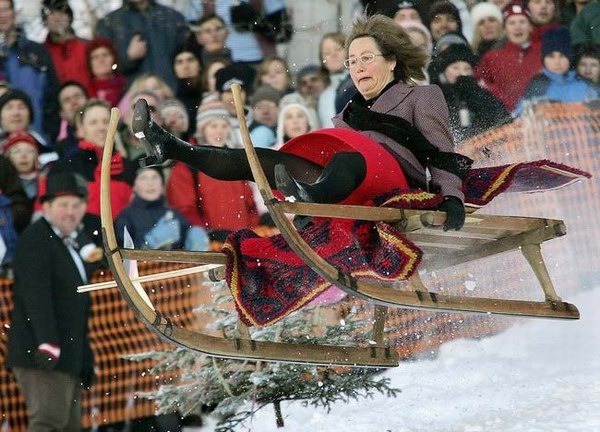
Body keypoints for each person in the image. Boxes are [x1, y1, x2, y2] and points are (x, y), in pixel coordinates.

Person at [132, 14, 469, 231]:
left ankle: (308, 200)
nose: (359, 67)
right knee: (264, 159)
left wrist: (452, 198)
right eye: (352, 61)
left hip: (396, 184)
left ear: (392, 61)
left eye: (367, 59)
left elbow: (441, 151)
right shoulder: (348, 113)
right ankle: (173, 147)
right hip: (349, 182)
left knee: (349, 157)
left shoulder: (422, 95)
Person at [6, 172, 96, 431]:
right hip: (44, 355)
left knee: (68, 426)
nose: (70, 211)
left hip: (68, 356)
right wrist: (47, 342)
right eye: (63, 205)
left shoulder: (67, 241)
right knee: (48, 422)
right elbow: (36, 294)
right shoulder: (37, 239)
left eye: (76, 205)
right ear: (46, 207)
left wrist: (83, 357)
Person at [0, 0, 60, 143]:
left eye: (5, 10)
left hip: (38, 140)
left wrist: (50, 133)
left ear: (14, 13)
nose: (1, 15)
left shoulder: (36, 52)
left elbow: (53, 97)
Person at [95, 0, 188, 89]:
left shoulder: (173, 18)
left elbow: (188, 57)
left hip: (171, 92)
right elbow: (103, 69)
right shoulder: (109, 23)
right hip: (130, 97)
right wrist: (128, 58)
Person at [115, 166, 208, 250]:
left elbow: (189, 247)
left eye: (155, 177)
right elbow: (123, 255)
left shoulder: (175, 215)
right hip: (145, 268)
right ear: (134, 186)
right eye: (143, 178)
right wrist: (150, 242)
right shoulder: (125, 216)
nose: (150, 183)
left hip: (175, 268)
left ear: (162, 185)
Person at [513, 27, 599, 115]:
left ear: (569, 57)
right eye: (551, 56)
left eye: (562, 56)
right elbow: (519, 117)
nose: (557, 62)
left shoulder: (586, 86)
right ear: (544, 59)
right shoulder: (537, 86)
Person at [475, 3, 543, 112]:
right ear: (505, 29)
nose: (518, 27)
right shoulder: (492, 57)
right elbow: (481, 84)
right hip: (506, 119)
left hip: (540, 115)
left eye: (522, 22)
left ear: (530, 27)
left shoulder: (542, 51)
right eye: (512, 23)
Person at [437, 44, 510, 141]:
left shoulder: (483, 95)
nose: (462, 73)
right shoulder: (437, 97)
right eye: (455, 68)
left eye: (467, 69)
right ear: (444, 72)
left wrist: (473, 94)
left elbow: (501, 120)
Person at [42, 0, 91, 90]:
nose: (57, 18)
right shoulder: (40, 52)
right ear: (45, 20)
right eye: (52, 14)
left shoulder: (87, 47)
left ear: (69, 17)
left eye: (61, 13)